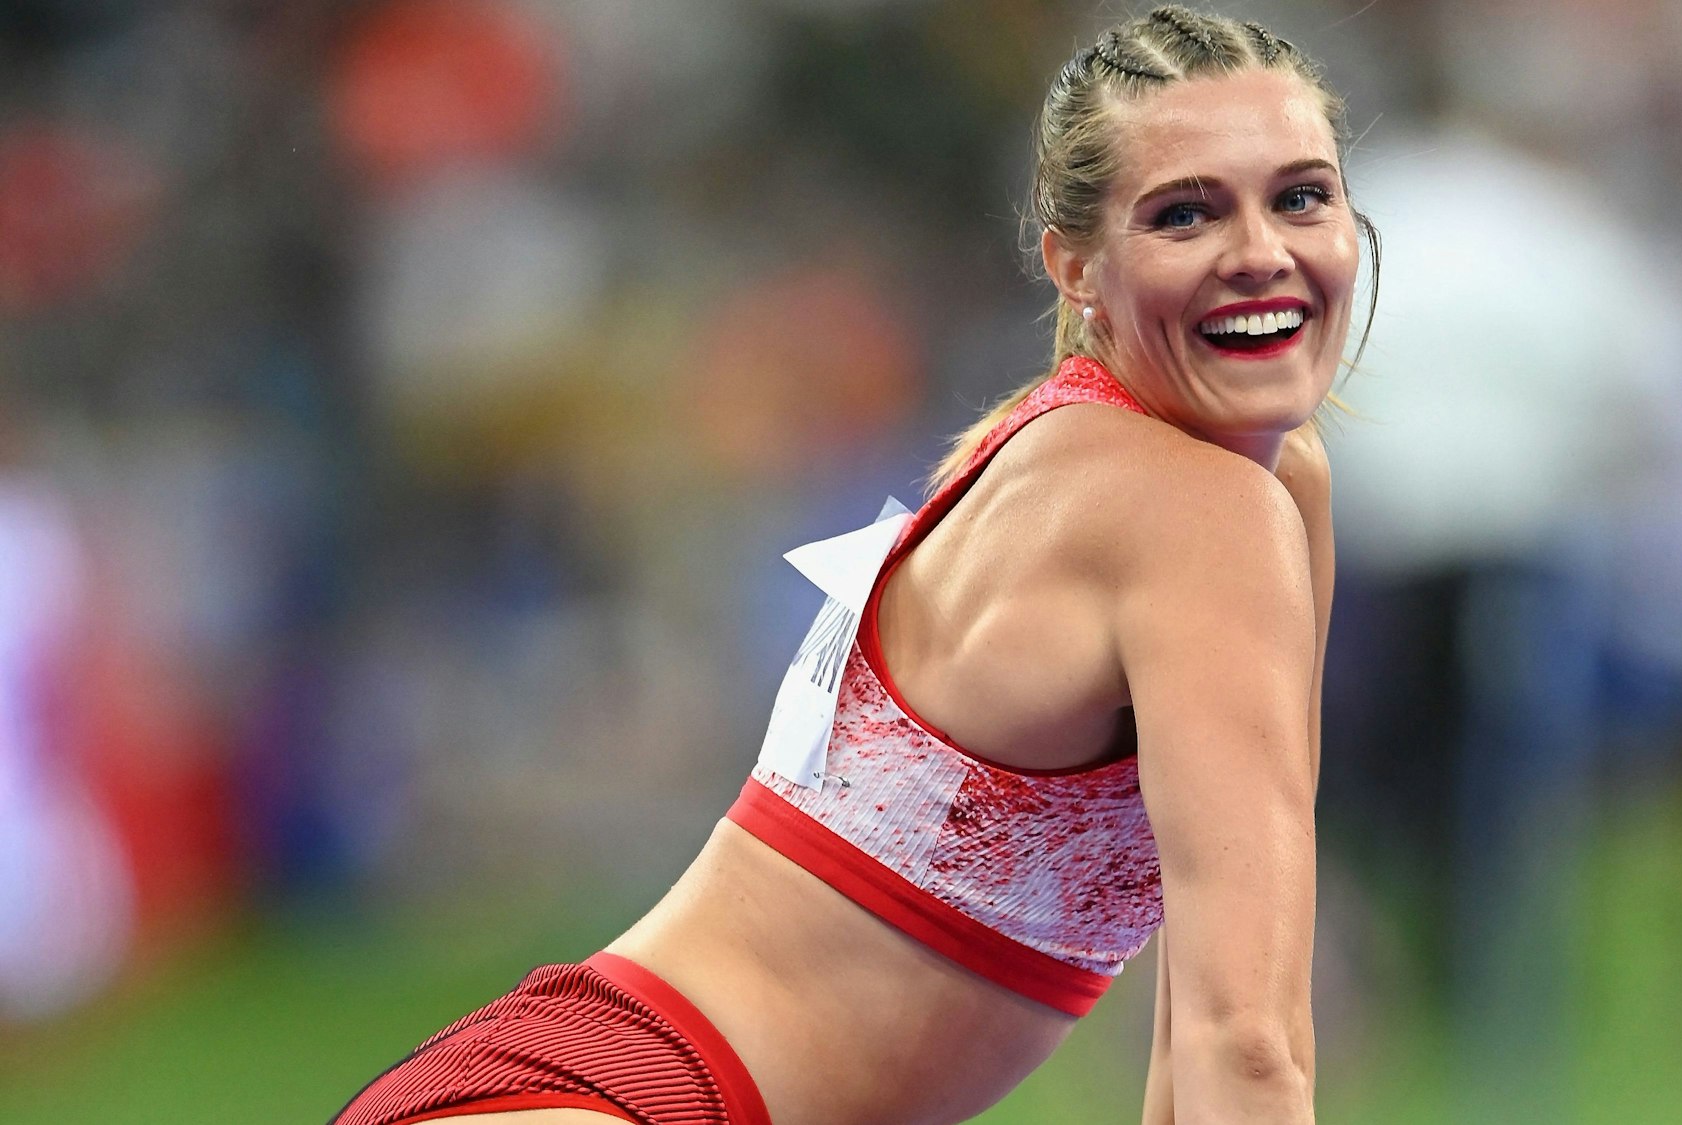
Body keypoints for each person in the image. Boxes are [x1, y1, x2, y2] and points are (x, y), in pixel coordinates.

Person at [333, 7, 1377, 1124]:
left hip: (587, 1067)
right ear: (1074, 265)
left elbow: (1211, 1027)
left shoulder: (1242, 481)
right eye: (1185, 214)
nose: (1260, 252)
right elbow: (1246, 1048)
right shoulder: (1195, 507)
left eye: (1300, 197)